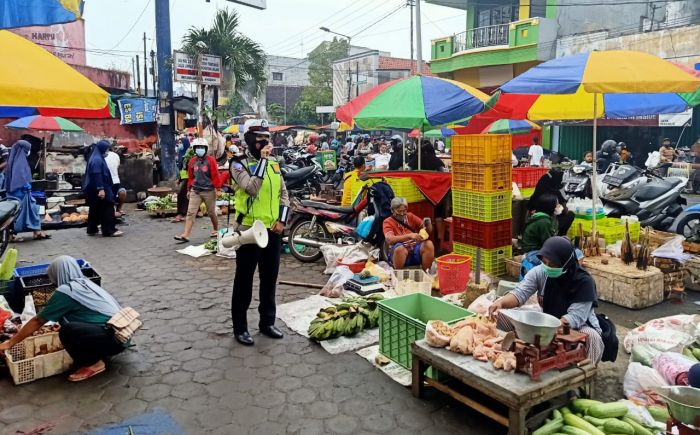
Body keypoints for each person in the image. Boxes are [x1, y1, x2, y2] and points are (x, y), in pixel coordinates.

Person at [0, 256, 128, 381]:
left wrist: (10, 343)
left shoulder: (66, 291)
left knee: (67, 330)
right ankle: (99, 352)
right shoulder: (86, 283)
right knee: (67, 322)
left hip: (113, 340)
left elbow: (38, 321)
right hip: (123, 336)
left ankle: (95, 364)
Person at [488, 237, 604, 364]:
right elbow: (520, 293)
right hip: (547, 321)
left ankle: (584, 375)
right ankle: (507, 353)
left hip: (577, 326)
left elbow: (575, 317)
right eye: (544, 262)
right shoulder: (541, 272)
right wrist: (501, 303)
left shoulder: (584, 282)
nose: (547, 267)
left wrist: (546, 328)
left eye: (553, 264)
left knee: (592, 337)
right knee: (504, 315)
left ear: (566, 263)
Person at [229, 119, 290, 346]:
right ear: (249, 140)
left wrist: (282, 220)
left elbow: (284, 194)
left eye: (267, 138)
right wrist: (262, 161)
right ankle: (240, 328)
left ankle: (267, 323)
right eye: (259, 139)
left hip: (272, 231)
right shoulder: (238, 164)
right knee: (244, 281)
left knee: (269, 279)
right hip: (249, 232)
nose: (265, 142)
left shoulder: (274, 163)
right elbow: (252, 188)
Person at [174, 139, 221, 243]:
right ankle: (186, 234)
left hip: (209, 191)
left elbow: (215, 175)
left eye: (202, 148)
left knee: (211, 212)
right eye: (198, 148)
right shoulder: (192, 161)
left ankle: (215, 229)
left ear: (206, 149)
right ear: (194, 149)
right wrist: (189, 189)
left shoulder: (211, 160)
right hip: (196, 191)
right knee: (190, 212)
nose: (200, 149)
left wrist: (217, 189)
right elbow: (191, 177)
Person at [3, 140, 50, 241]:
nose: (28, 151)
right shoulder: (20, 161)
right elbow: (19, 177)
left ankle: (36, 232)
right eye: (27, 149)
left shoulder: (13, 159)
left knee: (27, 211)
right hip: (20, 193)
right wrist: (26, 186)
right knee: (23, 213)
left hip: (14, 193)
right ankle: (13, 235)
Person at [83, 141, 122, 237]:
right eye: (107, 149)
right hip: (101, 187)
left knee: (95, 208)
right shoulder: (97, 159)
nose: (107, 152)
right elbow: (97, 174)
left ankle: (92, 229)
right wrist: (101, 189)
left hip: (93, 188)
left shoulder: (95, 157)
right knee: (108, 207)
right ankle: (109, 230)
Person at [383, 197, 434, 270]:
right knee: (400, 249)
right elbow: (389, 239)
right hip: (399, 252)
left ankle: (426, 274)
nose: (402, 214)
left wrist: (428, 224)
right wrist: (409, 236)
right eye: (399, 211)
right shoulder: (387, 222)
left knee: (429, 244)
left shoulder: (410, 216)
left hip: (415, 249)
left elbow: (427, 231)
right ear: (392, 210)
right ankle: (399, 275)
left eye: (404, 211)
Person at [529, 169, 575, 236]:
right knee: (570, 215)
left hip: (535, 215)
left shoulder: (539, 191)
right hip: (548, 221)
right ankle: (560, 236)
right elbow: (564, 211)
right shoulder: (555, 193)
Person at [171, 136, 193, 223]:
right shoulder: (181, 153)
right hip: (184, 176)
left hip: (189, 176)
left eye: (181, 143)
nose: (179, 144)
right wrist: (179, 179)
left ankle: (182, 213)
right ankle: (182, 213)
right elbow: (181, 168)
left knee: (182, 193)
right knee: (182, 194)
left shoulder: (189, 153)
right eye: (179, 142)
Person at [104, 147, 126, 218]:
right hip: (116, 180)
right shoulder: (116, 155)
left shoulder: (102, 155)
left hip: (107, 181)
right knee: (118, 193)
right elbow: (117, 166)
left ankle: (111, 213)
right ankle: (118, 210)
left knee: (110, 198)